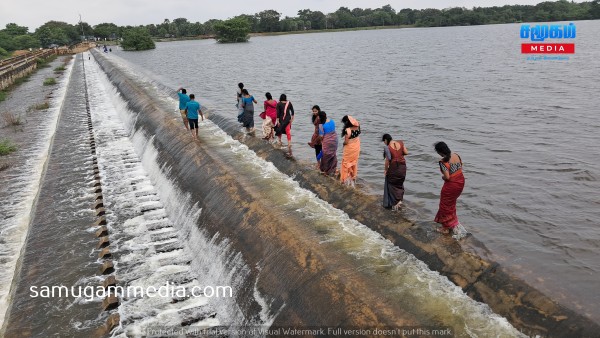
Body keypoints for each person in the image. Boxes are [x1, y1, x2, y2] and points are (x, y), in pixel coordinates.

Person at [433, 141, 465, 235]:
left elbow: (447, 177)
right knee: (451, 203)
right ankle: (452, 223)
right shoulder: (456, 155)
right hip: (461, 182)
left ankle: (446, 227)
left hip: (451, 185)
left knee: (445, 205)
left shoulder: (443, 162)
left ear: (440, 152)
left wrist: (442, 177)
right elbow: (460, 167)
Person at [382, 134, 408, 210]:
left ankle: (395, 202)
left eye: (384, 141)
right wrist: (399, 153)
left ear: (386, 140)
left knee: (391, 183)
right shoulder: (401, 142)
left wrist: (386, 170)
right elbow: (406, 152)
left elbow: (388, 160)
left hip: (394, 168)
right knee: (399, 183)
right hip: (403, 167)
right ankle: (399, 200)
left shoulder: (387, 148)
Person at [339, 115, 361, 187]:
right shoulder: (358, 127)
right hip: (356, 147)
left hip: (349, 149)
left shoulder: (347, 130)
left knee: (345, 163)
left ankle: (344, 180)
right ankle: (353, 178)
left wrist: (343, 143)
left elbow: (346, 142)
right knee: (354, 162)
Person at [318, 111, 338, 175]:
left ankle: (325, 170)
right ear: (326, 115)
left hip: (327, 141)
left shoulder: (321, 125)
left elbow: (321, 136)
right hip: (335, 140)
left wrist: (320, 140)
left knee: (325, 155)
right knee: (333, 154)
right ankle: (332, 169)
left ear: (320, 117)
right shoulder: (332, 121)